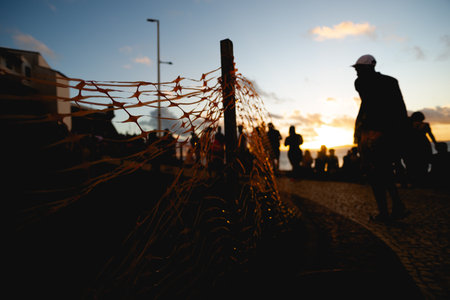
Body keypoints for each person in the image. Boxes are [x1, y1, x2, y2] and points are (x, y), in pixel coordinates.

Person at [352, 54, 409, 222]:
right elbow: (399, 107)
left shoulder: (362, 83)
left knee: (376, 173)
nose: (356, 72)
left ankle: (385, 212)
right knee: (384, 171)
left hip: (374, 133)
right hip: (388, 132)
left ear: (370, 67)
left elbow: (373, 104)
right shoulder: (391, 82)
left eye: (359, 69)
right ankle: (397, 206)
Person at [404, 111, 437, 186]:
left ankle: (414, 180)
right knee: (424, 162)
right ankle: (422, 180)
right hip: (423, 144)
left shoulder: (409, 124)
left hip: (413, 145)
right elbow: (431, 135)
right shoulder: (425, 125)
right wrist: (435, 143)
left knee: (414, 163)